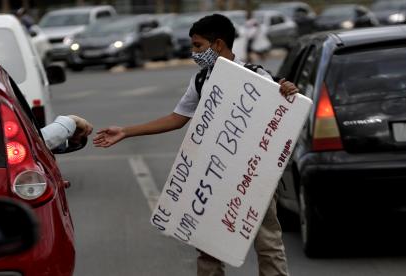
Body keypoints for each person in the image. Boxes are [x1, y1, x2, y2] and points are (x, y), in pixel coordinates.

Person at [93, 13, 296, 276]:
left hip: (251, 179)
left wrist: (287, 91)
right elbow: (177, 118)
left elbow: (280, 115)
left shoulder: (256, 77)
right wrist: (126, 132)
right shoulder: (201, 80)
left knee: (267, 243)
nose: (194, 52)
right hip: (213, 178)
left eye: (198, 46)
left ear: (219, 44)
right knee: (207, 245)